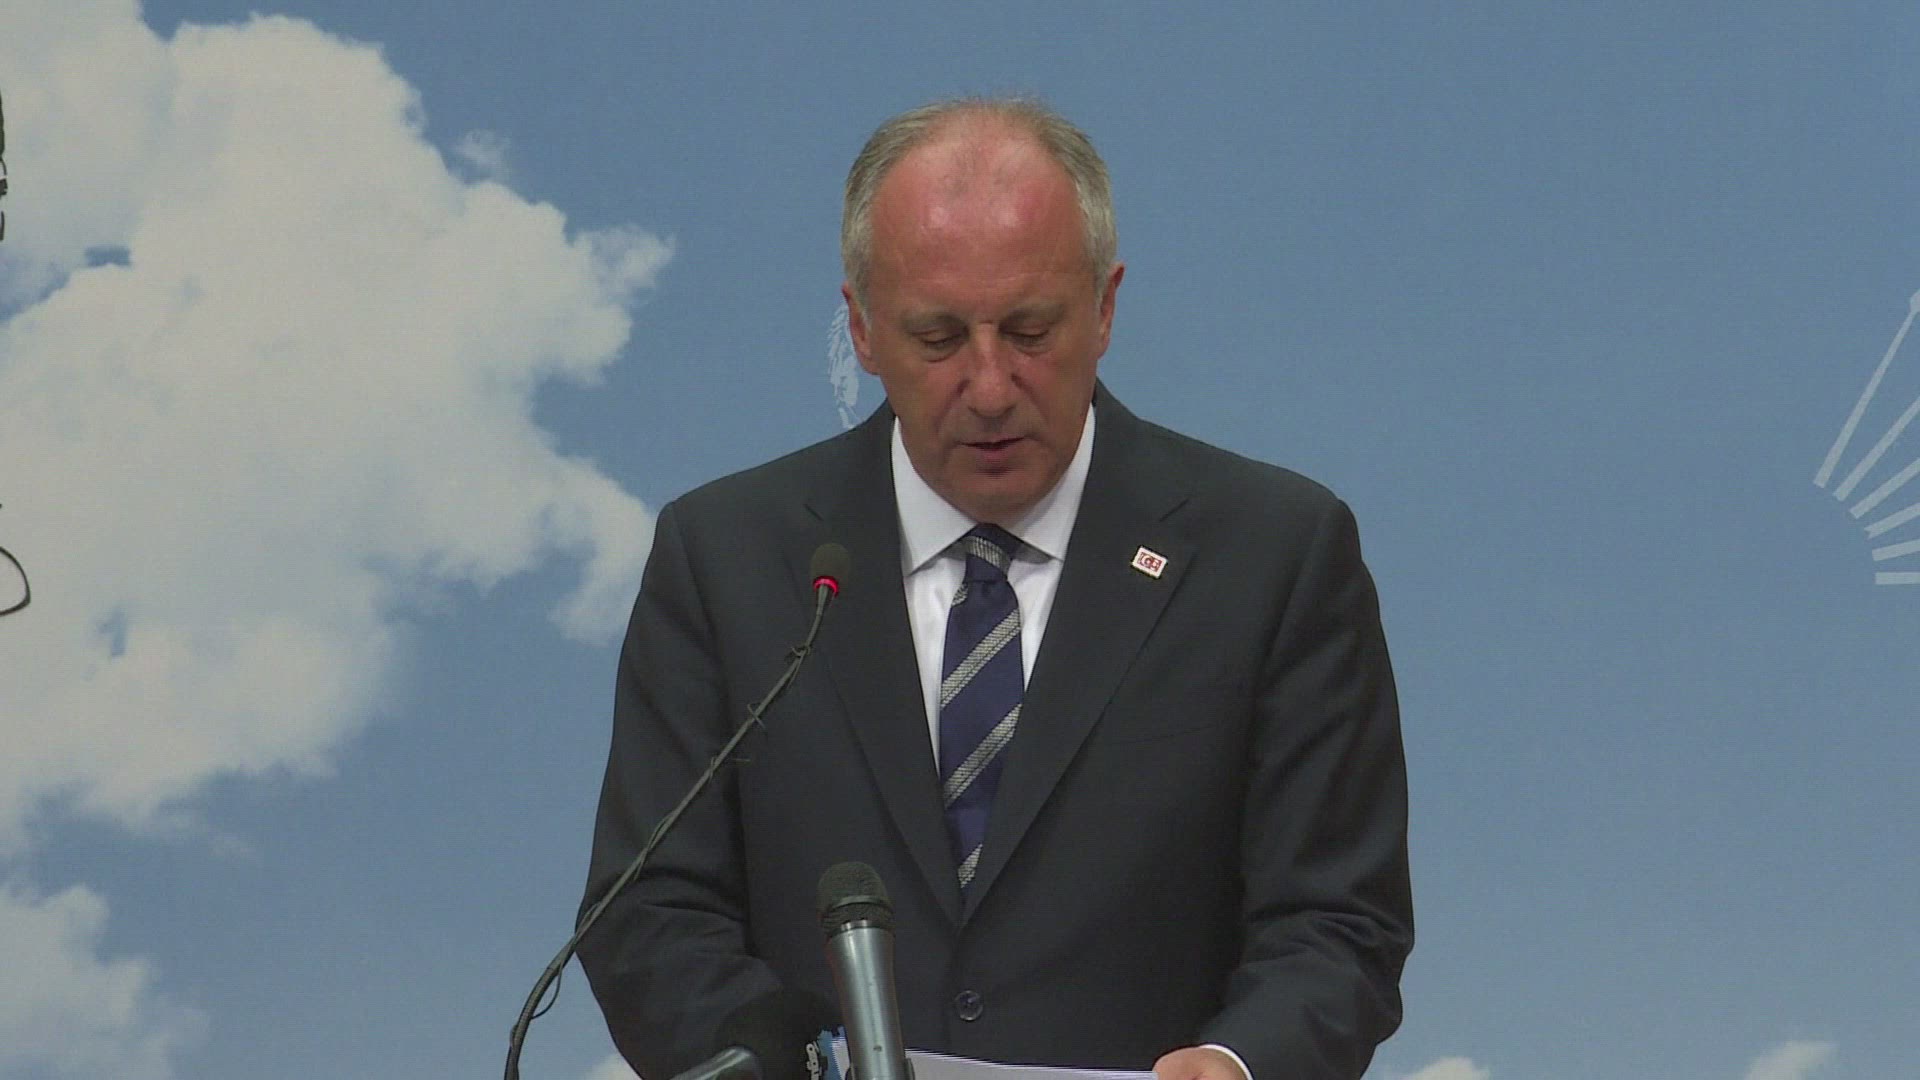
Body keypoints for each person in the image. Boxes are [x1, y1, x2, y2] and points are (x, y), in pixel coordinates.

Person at [578, 98, 1413, 1080]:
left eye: (1030, 329)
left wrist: (1238, 1062)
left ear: (1105, 308)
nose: (988, 387)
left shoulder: (1273, 555)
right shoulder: (727, 559)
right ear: (862, 328)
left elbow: (1337, 923)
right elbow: (651, 916)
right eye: (937, 338)